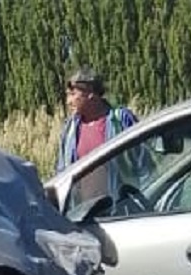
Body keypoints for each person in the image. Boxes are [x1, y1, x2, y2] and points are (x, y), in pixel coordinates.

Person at [55, 68, 141, 203]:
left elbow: (143, 163)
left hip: (119, 209)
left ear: (90, 93)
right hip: (82, 214)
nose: (68, 101)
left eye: (73, 94)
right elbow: (62, 172)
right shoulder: (70, 128)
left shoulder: (120, 120)